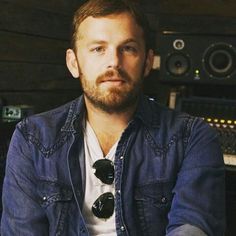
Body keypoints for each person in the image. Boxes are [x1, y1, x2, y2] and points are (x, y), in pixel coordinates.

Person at [1, 0, 225, 235]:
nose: (114, 62)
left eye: (128, 48)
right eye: (98, 48)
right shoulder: (31, 138)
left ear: (147, 62)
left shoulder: (193, 137)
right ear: (73, 63)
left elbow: (192, 226)